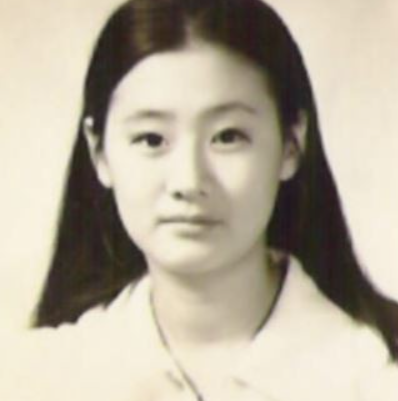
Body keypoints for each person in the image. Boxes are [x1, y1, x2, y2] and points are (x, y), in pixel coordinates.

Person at [21, 0, 397, 399]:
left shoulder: (378, 375)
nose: (188, 181)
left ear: (291, 144)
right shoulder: (38, 377)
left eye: (228, 137)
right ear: (99, 152)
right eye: (151, 139)